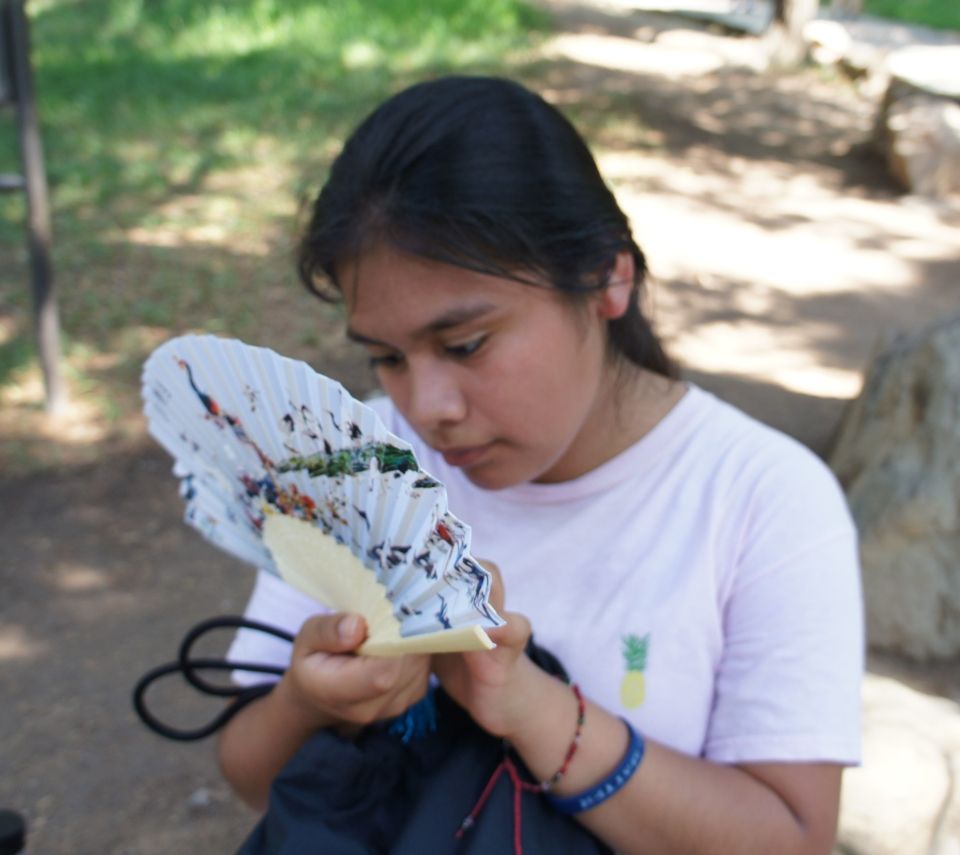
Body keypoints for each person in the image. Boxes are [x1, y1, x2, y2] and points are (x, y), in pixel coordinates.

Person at [218, 75, 863, 854]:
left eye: (465, 345)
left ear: (606, 277)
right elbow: (252, 774)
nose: (428, 406)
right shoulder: (352, 467)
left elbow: (792, 837)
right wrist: (312, 699)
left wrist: (524, 702)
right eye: (386, 356)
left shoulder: (762, 498)